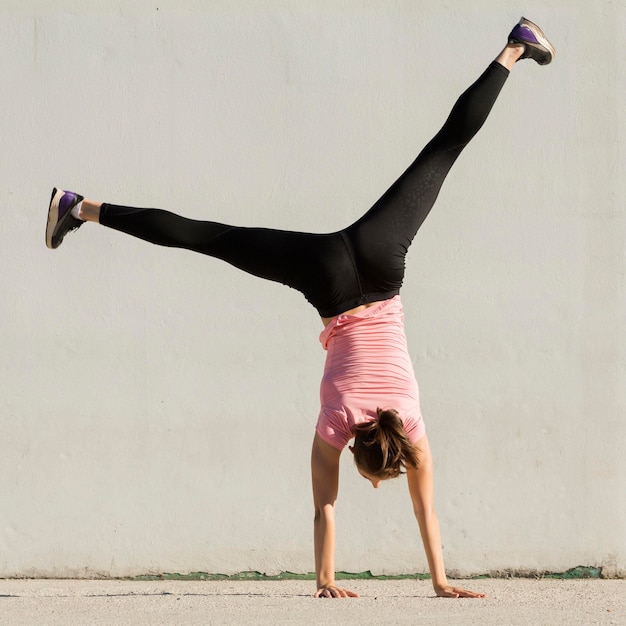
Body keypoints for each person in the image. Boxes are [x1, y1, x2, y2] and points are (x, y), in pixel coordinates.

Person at [45, 17, 555, 599]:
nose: (375, 486)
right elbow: (325, 511)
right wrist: (329, 581)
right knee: (208, 238)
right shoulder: (337, 422)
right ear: (364, 453)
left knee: (443, 150)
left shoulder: (410, 424)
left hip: (379, 263)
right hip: (330, 283)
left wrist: (436, 579)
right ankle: (78, 207)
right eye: (376, 480)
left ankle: (515, 47)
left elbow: (424, 512)